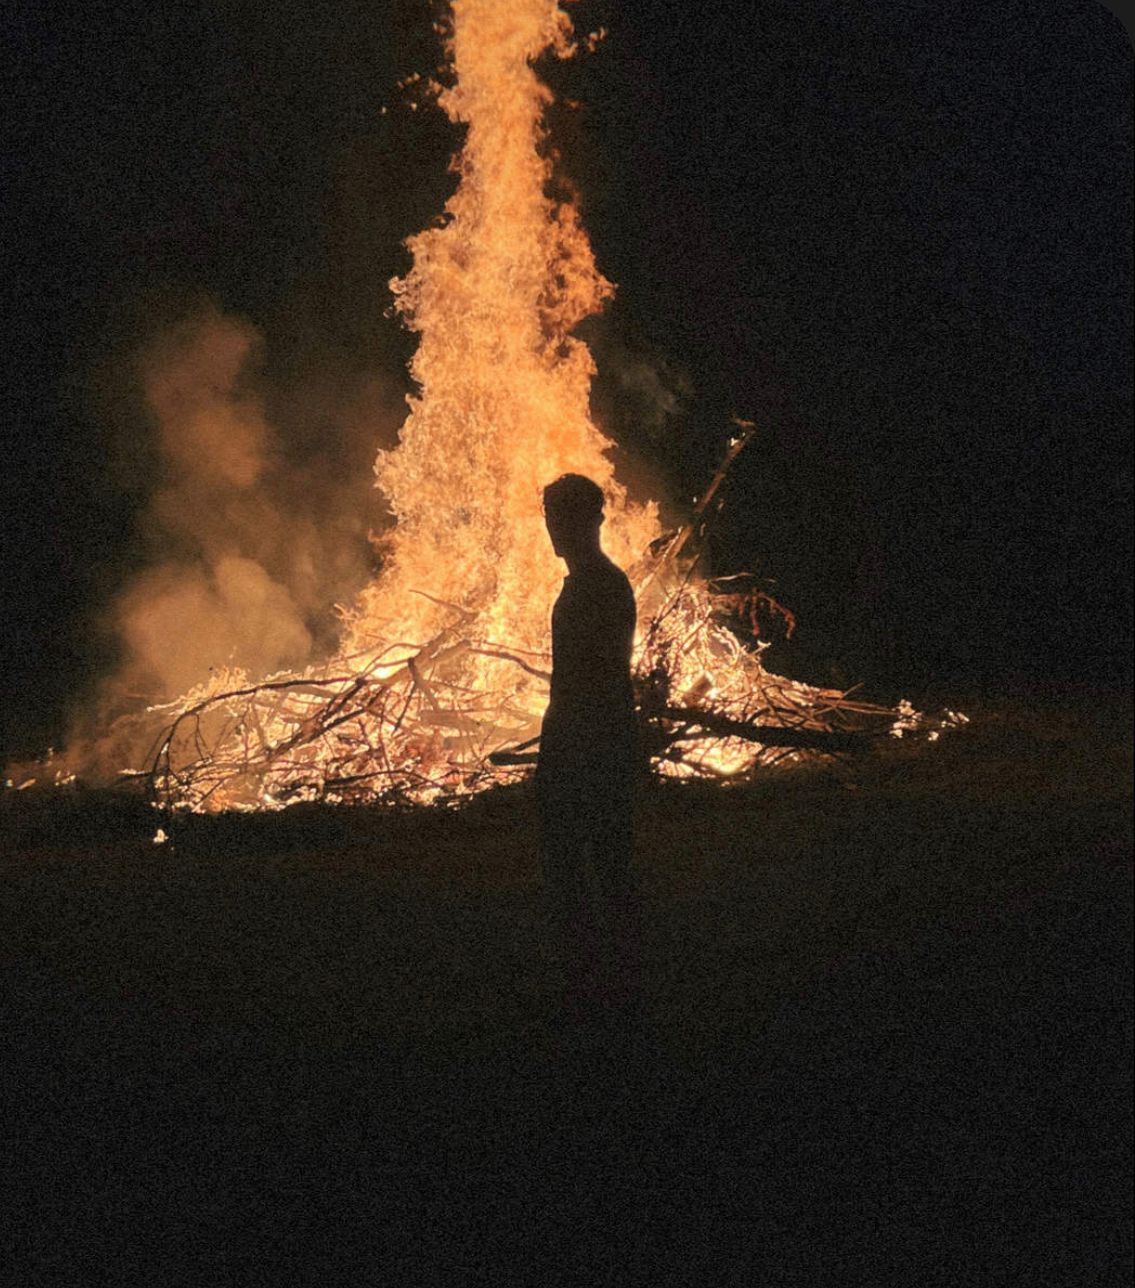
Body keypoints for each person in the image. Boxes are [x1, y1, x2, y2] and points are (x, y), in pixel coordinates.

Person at [536, 473, 641, 1014]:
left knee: (598, 865)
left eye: (562, 518)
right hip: (588, 737)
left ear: (591, 521)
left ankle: (605, 987)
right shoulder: (590, 584)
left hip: (591, 742)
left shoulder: (599, 587)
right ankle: (597, 981)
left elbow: (596, 677)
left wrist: (567, 744)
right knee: (582, 866)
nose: (554, 530)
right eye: (550, 518)